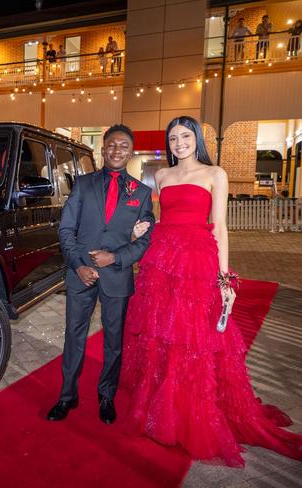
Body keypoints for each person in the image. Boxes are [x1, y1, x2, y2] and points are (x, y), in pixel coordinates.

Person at [121, 116, 302, 467]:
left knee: (193, 337)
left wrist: (224, 279)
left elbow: (219, 226)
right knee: (162, 335)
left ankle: (191, 410)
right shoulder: (162, 175)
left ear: (197, 139)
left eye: (185, 136)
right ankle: (164, 408)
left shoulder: (215, 173)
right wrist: (147, 225)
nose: (179, 143)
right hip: (162, 259)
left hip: (197, 262)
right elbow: (166, 216)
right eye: (173, 138)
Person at [46, 124, 155, 423]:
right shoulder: (82, 185)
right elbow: (66, 228)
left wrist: (116, 258)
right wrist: (78, 265)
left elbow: (145, 240)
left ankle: (106, 395)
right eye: (111, 145)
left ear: (130, 152)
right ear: (102, 149)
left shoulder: (142, 193)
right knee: (74, 337)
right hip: (80, 274)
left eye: (123, 145)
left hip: (117, 277)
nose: (117, 150)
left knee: (113, 341)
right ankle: (67, 396)